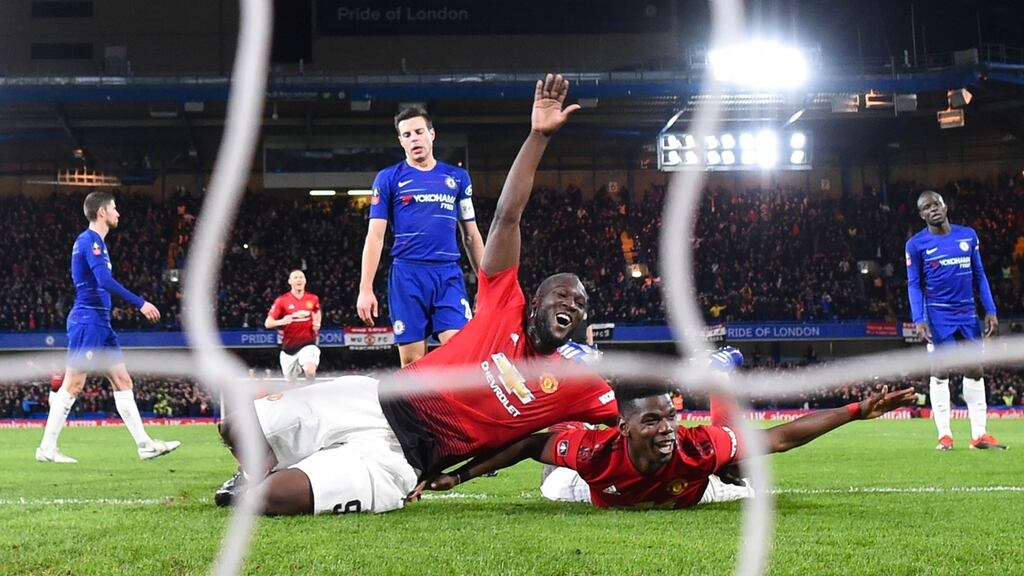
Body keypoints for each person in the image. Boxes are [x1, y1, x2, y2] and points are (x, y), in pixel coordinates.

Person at [214, 74, 612, 516]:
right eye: (561, 295)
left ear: (432, 134)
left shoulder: (455, 179)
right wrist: (537, 136)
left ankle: (309, 470)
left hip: (408, 452)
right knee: (233, 426)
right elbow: (505, 218)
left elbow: (622, 416)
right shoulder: (500, 299)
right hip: (375, 389)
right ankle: (269, 465)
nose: (571, 305)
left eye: (579, 304)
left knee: (268, 501)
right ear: (534, 301)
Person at [421, 362, 917, 510]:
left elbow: (780, 438)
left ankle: (726, 370)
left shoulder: (695, 444)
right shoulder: (594, 453)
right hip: (588, 487)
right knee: (553, 476)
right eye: (652, 422)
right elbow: (528, 442)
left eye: (670, 417)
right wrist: (459, 477)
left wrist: (855, 410)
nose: (665, 430)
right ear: (625, 427)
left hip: (692, 489)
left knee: (750, 474)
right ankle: (571, 427)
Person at [36, 191, 180, 463]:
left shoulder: (96, 243)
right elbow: (103, 280)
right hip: (88, 320)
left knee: (123, 380)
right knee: (74, 383)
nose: (118, 213)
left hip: (101, 322)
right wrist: (140, 303)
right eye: (114, 208)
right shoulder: (90, 241)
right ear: (101, 212)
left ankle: (144, 445)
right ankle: (47, 447)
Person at [357, 105, 485, 367]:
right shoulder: (388, 179)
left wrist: (488, 283)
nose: (414, 138)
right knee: (414, 364)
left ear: (432, 134)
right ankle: (420, 409)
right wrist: (365, 288)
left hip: (448, 274)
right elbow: (375, 237)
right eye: (407, 135)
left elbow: (471, 235)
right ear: (401, 141)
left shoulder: (457, 178)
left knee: (460, 353)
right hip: (407, 277)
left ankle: (452, 408)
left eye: (418, 132)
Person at [906, 190, 1005, 450]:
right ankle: (945, 436)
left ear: (945, 206)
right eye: (926, 208)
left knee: (974, 369)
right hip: (938, 315)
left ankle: (979, 435)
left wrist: (991, 309)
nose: (932, 210)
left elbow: (979, 275)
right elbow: (914, 284)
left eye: (936, 204)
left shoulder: (968, 235)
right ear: (921, 215)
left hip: (968, 313)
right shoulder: (916, 244)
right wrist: (919, 318)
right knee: (941, 370)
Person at [265, 269, 321, 382]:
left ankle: (311, 395)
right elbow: (268, 323)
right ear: (290, 281)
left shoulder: (313, 299)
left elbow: (317, 311)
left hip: (308, 343)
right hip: (288, 349)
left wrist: (317, 322)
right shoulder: (282, 301)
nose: (299, 279)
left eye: (301, 277)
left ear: (305, 280)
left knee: (310, 370)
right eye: (295, 277)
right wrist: (282, 321)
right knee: (291, 383)